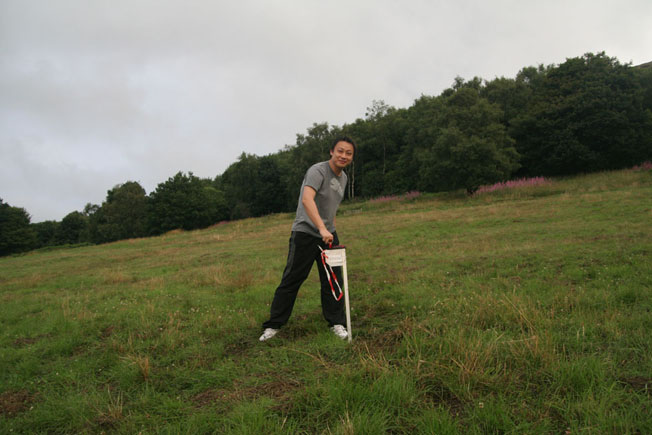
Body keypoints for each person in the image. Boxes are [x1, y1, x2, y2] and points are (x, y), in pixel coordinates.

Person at [259, 136, 356, 341]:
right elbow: (307, 199)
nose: (344, 156)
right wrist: (321, 227)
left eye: (348, 153)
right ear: (332, 151)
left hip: (328, 235)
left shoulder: (344, 178)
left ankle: (336, 323)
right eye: (340, 151)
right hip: (305, 233)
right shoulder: (317, 171)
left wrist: (331, 230)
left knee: (333, 281)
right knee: (292, 279)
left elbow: (332, 208)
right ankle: (273, 325)